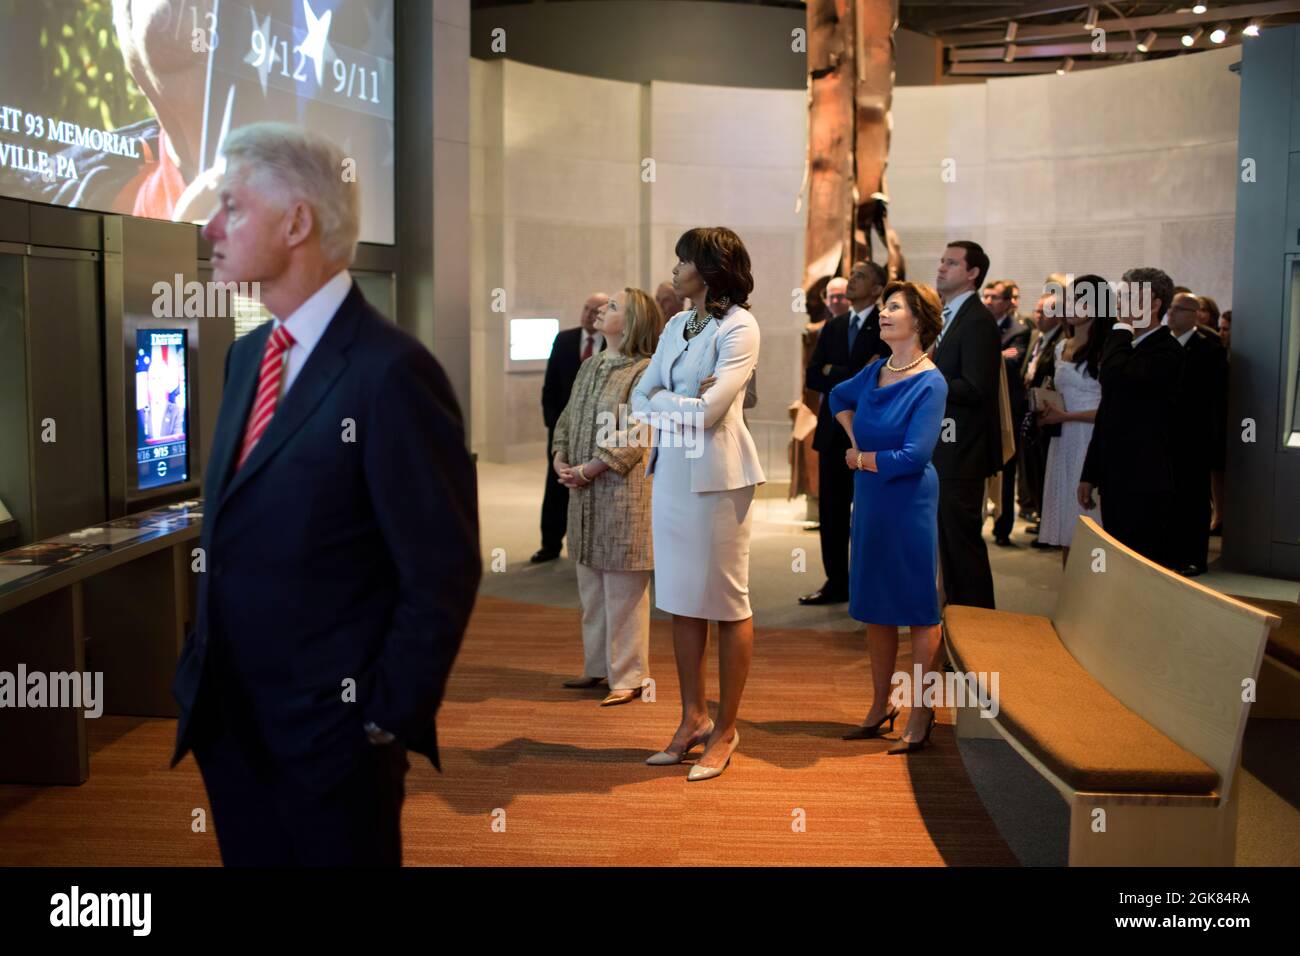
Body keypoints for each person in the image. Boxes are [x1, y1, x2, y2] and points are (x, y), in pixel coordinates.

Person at [170, 122, 481, 866]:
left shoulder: (392, 371)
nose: (211, 227)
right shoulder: (249, 356)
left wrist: (380, 720)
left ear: (297, 221)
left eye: (233, 207)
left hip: (333, 747)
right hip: (232, 730)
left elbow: (440, 570)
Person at [631, 226, 764, 781]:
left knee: (727, 603)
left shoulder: (740, 326)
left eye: (683, 259)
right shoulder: (675, 324)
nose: (674, 266)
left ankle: (726, 729)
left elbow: (711, 415)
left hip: (720, 476)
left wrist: (670, 400)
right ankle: (692, 719)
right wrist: (677, 400)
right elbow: (640, 398)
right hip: (674, 473)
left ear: (707, 272)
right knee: (681, 601)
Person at [831, 280, 948, 753]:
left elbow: (913, 457)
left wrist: (860, 459)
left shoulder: (930, 380)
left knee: (918, 609)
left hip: (907, 502)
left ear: (918, 321)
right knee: (876, 607)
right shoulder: (876, 369)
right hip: (873, 499)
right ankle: (881, 705)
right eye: (883, 306)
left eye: (894, 307)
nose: (883, 313)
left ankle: (921, 714)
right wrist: (852, 440)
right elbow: (838, 397)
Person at [552, 288, 665, 704]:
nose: (602, 309)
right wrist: (560, 456)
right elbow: (567, 416)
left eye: (613, 307)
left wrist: (591, 468)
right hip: (583, 494)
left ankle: (630, 676)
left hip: (621, 495)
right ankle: (598, 667)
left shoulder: (646, 370)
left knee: (623, 592)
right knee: (591, 590)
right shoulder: (591, 365)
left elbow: (637, 431)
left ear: (633, 322)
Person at [1079, 267, 1185, 569]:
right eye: (1121, 295)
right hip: (1115, 474)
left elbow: (1114, 379)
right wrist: (1090, 473)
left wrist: (1121, 329)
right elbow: (1107, 413)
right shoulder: (1126, 346)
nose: (1120, 303)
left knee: (1142, 562)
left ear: (1154, 304)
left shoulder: (1167, 350)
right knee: (1118, 559)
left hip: (1146, 477)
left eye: (1129, 296)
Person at [801, 259, 888, 605]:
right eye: (852, 275)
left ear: (878, 289)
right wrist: (852, 373)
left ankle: (870, 583)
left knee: (870, 513)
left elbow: (879, 379)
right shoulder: (833, 326)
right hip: (832, 433)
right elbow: (812, 375)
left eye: (861, 277)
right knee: (832, 513)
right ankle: (836, 582)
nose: (852, 281)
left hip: (870, 436)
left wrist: (836, 373)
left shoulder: (886, 325)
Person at [931, 241, 1001, 609]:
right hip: (945, 449)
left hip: (962, 451)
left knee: (962, 546)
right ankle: (958, 623)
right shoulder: (950, 315)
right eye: (942, 261)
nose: (942, 268)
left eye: (952, 263)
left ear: (973, 273)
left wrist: (926, 376)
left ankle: (979, 631)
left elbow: (975, 387)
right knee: (949, 545)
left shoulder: (976, 320)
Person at [1037, 276, 1111, 564]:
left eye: (1079, 300)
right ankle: (1071, 594)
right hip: (1063, 439)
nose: (1069, 305)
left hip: (1089, 438)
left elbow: (1110, 408)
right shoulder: (1061, 346)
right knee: (1066, 522)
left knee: (1089, 520)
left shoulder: (1107, 348)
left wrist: (1067, 415)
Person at [535, 293, 608, 563]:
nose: (588, 314)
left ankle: (590, 546)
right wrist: (554, 424)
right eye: (586, 308)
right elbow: (550, 386)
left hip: (595, 432)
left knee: (587, 486)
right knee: (555, 488)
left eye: (595, 310)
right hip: (561, 431)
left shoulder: (611, 346)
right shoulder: (564, 340)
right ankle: (550, 544)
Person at [1167, 291, 1228, 576]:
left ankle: (1194, 557)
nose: (1171, 314)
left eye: (1178, 309)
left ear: (1193, 314)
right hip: (1167, 435)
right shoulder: (1163, 345)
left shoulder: (1209, 348)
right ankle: (1171, 551)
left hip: (1195, 437)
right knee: (1171, 496)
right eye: (1170, 308)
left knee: (1194, 498)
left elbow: (1212, 398)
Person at [986, 280, 1031, 546]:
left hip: (1007, 411)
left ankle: (1003, 528)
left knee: (1006, 467)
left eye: (994, 297)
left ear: (1007, 301)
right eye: (986, 296)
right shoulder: (981, 325)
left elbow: (1013, 357)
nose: (988, 301)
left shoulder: (1018, 329)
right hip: (983, 407)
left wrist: (986, 355)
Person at [1020, 291, 1065, 543]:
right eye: (1036, 310)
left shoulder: (1060, 341)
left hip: (1049, 416)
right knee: (1034, 472)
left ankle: (1049, 525)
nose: (1038, 316)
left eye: (1044, 311)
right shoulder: (1037, 338)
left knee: (1046, 471)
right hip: (1031, 414)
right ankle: (1042, 518)